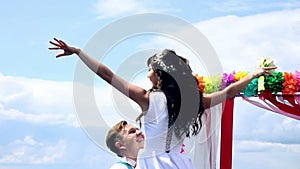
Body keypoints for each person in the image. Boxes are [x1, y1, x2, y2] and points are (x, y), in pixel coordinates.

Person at [49, 38, 276, 169]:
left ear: (159, 74)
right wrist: (253, 75)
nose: (147, 76)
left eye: (150, 71)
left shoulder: (147, 98)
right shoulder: (194, 102)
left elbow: (107, 75)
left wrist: (79, 52)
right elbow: (229, 93)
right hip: (178, 163)